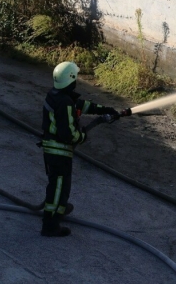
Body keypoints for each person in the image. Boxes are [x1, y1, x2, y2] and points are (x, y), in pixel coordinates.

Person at [40, 61, 127, 237]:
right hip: (59, 152)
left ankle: (57, 212)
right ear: (71, 79)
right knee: (58, 188)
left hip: (52, 150)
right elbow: (68, 134)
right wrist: (82, 136)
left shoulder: (57, 95)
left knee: (59, 186)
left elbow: (81, 105)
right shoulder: (64, 103)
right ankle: (50, 225)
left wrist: (104, 110)